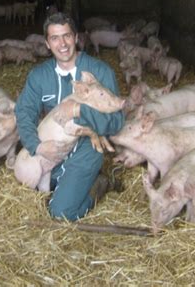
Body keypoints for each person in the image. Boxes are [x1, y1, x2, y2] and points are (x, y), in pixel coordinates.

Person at [15, 12, 124, 221]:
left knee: (61, 213)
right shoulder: (39, 76)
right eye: (54, 38)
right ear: (47, 43)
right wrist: (36, 146)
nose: (62, 44)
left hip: (87, 147)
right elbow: (24, 113)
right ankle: (77, 183)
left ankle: (99, 185)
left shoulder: (99, 71)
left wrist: (79, 111)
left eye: (66, 36)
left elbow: (116, 123)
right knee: (34, 183)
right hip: (53, 146)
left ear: (76, 38)